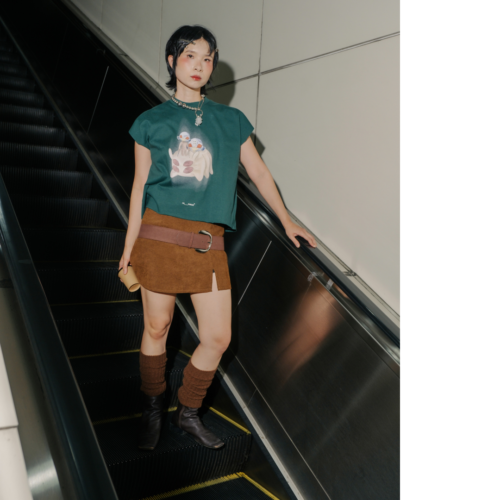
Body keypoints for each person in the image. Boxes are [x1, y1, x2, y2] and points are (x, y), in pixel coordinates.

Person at [119, 25, 317, 452]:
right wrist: (128, 246)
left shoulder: (232, 121)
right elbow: (138, 188)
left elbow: (259, 172)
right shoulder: (150, 122)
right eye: (190, 56)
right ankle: (152, 407)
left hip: (208, 242)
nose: (199, 65)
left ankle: (187, 412)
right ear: (172, 61)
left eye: (207, 58)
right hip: (158, 234)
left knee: (217, 338)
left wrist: (286, 221)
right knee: (157, 326)